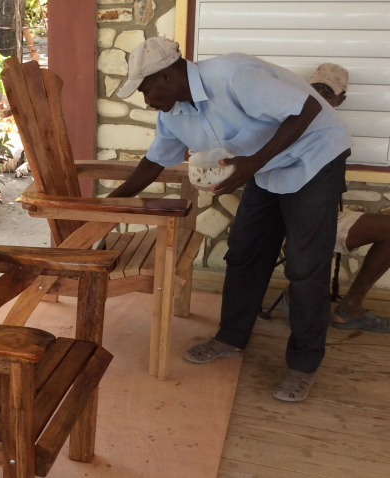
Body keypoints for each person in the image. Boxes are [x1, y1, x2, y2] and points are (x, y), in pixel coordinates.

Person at [111, 37, 350, 402]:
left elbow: (307, 110)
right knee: (244, 251)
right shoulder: (172, 112)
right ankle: (231, 337)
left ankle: (304, 364)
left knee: (305, 266)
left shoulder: (233, 75)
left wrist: (252, 164)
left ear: (167, 75)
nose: (146, 100)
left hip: (314, 156)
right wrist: (112, 203)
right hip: (264, 164)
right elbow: (156, 160)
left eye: (145, 89)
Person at [307, 64, 390, 332]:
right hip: (301, 221)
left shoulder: (333, 129)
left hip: (322, 213)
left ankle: (349, 307)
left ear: (340, 100)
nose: (320, 97)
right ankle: (346, 307)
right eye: (315, 89)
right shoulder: (298, 124)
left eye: (327, 92)